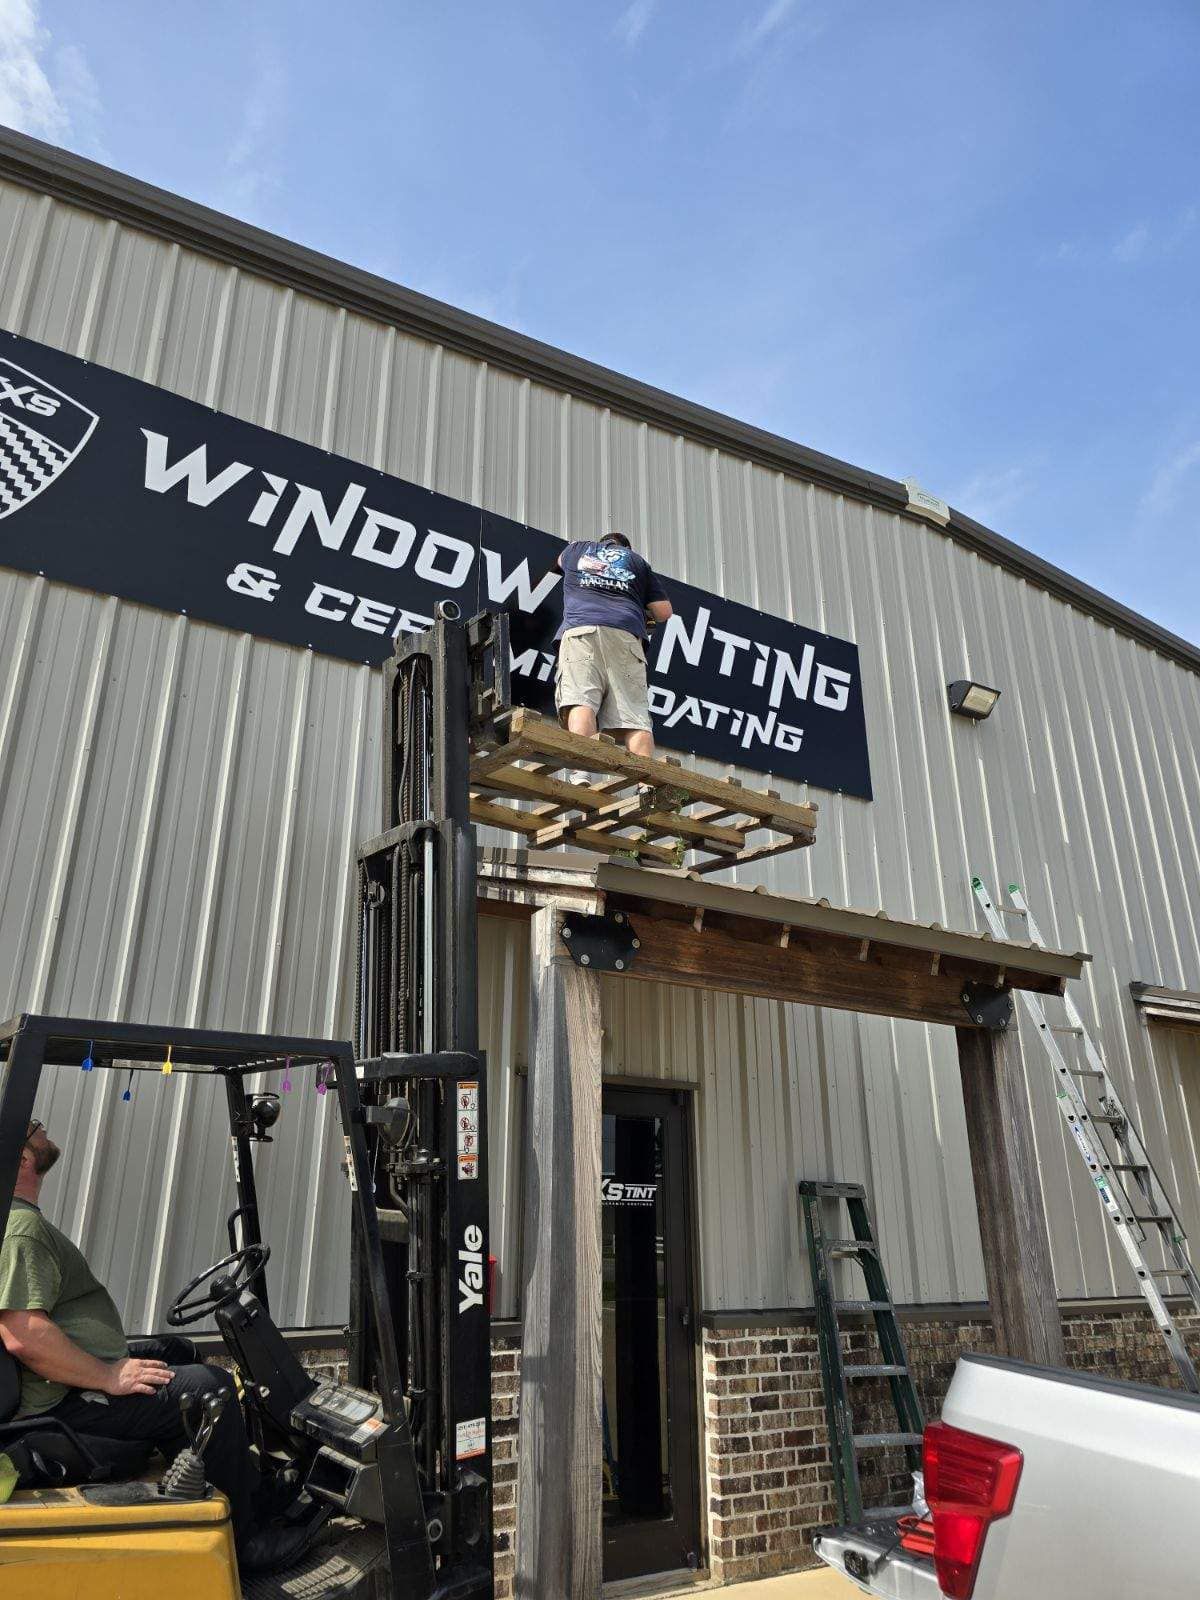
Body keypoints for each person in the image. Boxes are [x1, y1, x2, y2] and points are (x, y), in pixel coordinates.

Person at [0, 1118, 315, 1574]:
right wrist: (109, 1375)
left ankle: (252, 1492)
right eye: (34, 1127)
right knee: (210, 1389)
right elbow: (23, 1333)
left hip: (62, 1385)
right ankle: (246, 1543)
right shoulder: (20, 1229)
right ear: (23, 1158)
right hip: (59, 1404)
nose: (44, 1129)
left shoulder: (17, 1221)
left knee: (178, 1351)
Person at [554, 530, 674, 758]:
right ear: (626, 548)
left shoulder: (577, 549)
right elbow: (664, 612)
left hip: (582, 629)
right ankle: (643, 778)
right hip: (626, 635)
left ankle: (582, 773)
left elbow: (559, 562)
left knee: (581, 700)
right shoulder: (637, 561)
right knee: (635, 717)